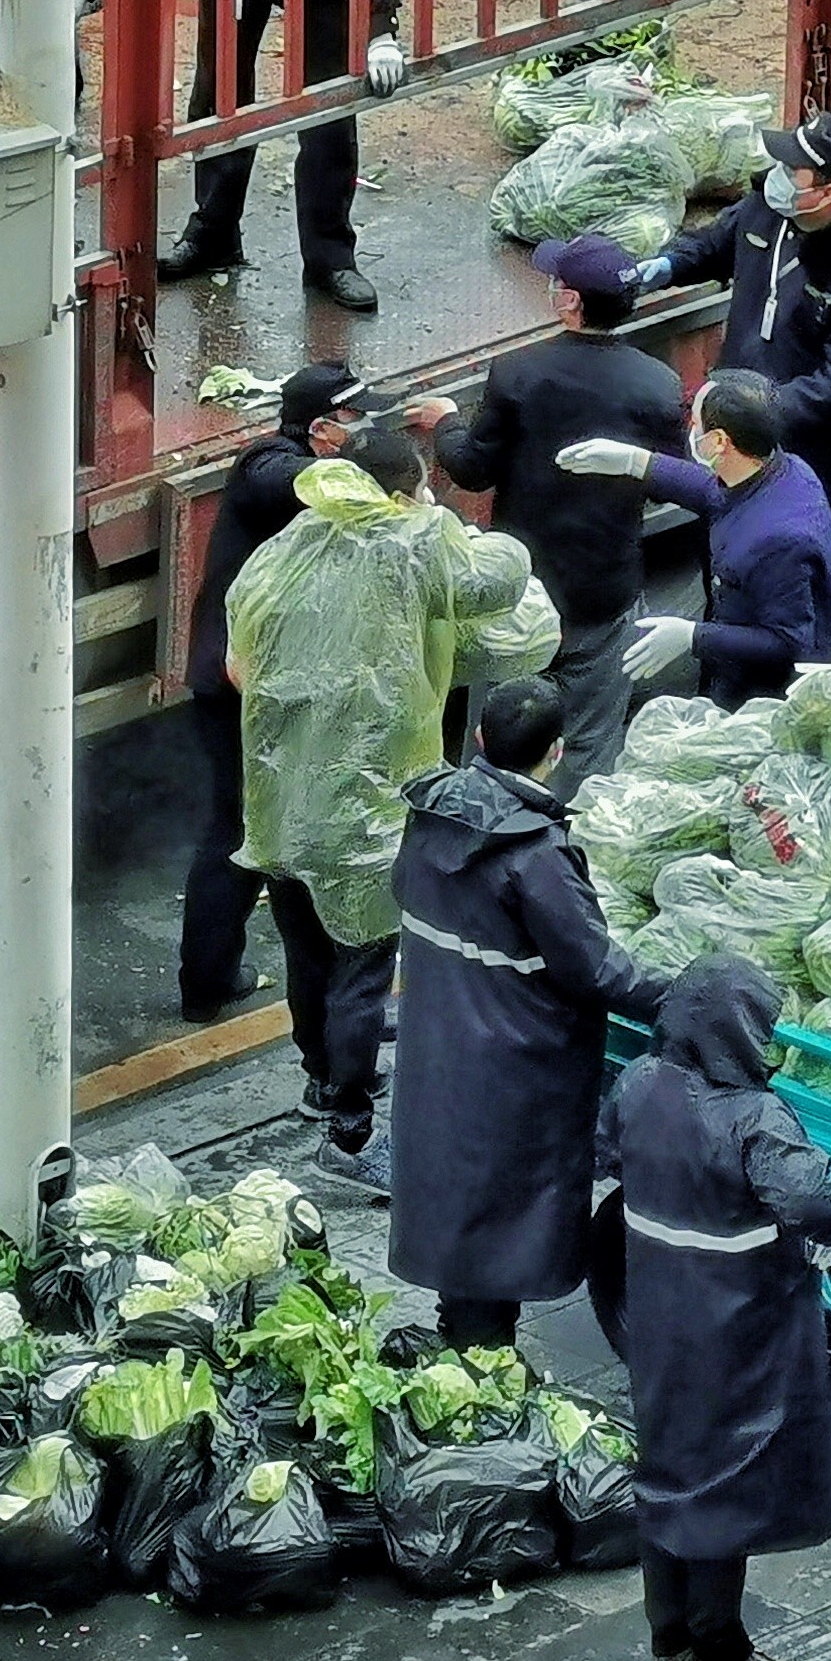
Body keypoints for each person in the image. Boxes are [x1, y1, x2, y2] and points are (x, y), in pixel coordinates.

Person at [228, 421, 558, 1192]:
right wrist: (450, 523)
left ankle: (319, 1084)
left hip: (281, 797)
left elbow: (243, 644)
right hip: (365, 811)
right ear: (405, 492)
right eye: (423, 487)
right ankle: (349, 1134)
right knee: (362, 973)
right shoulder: (413, 545)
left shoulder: (295, 544)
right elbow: (499, 580)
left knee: (306, 951)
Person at [596, 952, 831, 1661]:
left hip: (658, 1312)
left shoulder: (639, 1083)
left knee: (668, 1462)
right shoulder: (753, 1117)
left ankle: (670, 1637)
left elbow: (609, 1149)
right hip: (740, 1322)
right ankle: (722, 1653)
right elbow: (816, 1200)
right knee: (726, 1479)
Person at [390, 676, 666, 1352]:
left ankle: (463, 1343)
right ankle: (481, 1366)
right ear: (557, 753)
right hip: (516, 1074)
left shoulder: (431, 816)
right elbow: (598, 968)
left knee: (458, 1208)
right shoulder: (535, 855)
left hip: (439, 1052)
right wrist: (688, 991)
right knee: (503, 1218)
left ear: (481, 739)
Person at [646, 113, 831, 654]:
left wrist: (754, 412)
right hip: (742, 446)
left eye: (793, 169)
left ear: (829, 192)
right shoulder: (770, 210)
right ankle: (729, 670)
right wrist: (668, 263)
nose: (778, 173)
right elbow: (717, 243)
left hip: (819, 465)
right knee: (728, 570)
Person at [431, 233, 689, 787]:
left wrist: (446, 422)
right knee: (592, 744)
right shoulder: (659, 385)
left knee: (498, 739)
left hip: (524, 593)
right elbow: (668, 482)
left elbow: (473, 468)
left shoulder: (519, 372)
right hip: (604, 592)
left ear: (569, 302)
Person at [148, 0, 407, 308]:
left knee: (327, 101)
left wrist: (379, 30)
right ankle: (213, 232)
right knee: (218, 91)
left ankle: (330, 257)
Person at [179, 363, 374, 1027]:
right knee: (239, 832)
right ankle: (205, 982)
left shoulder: (299, 473)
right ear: (320, 430)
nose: (362, 433)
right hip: (239, 686)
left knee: (243, 828)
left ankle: (210, 975)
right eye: (353, 422)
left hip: (256, 681)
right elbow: (286, 483)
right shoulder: (270, 467)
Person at [559, 369, 831, 708]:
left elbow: (787, 641)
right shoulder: (779, 468)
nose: (689, 429)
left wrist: (692, 636)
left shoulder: (779, 540)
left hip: (771, 698)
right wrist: (637, 463)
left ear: (720, 442)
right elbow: (715, 493)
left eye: (695, 422)